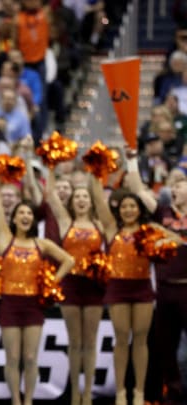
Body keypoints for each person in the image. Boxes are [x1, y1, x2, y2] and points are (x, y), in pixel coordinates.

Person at [90, 173, 182, 405]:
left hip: (142, 288)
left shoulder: (148, 230)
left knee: (141, 341)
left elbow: (178, 240)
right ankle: (121, 392)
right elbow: (99, 200)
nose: (128, 210)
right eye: (124, 206)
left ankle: (139, 392)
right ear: (118, 210)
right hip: (118, 289)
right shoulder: (111, 229)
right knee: (121, 340)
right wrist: (95, 174)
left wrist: (164, 239)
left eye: (132, 206)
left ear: (139, 209)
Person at [0, 180, 74, 405]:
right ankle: (16, 400)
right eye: (21, 213)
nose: (26, 216)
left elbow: (69, 260)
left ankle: (28, 401)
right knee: (13, 357)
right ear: (14, 218)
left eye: (29, 213)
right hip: (9, 304)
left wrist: (51, 283)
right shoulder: (5, 239)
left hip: (33, 305)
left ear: (33, 219)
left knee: (30, 358)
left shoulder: (42, 243)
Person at [123, 150, 187, 405]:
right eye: (173, 187)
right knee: (164, 345)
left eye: (181, 186)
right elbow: (139, 191)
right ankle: (171, 391)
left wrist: (172, 237)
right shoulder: (162, 213)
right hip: (163, 289)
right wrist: (131, 161)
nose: (175, 190)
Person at [45, 167, 104, 405]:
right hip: (70, 284)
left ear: (91, 202)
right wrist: (50, 165)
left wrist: (95, 170)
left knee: (90, 342)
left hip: (93, 286)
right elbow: (50, 194)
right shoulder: (65, 221)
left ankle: (87, 394)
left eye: (85, 196)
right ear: (72, 201)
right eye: (77, 196)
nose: (81, 200)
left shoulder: (101, 224)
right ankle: (74, 394)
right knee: (75, 342)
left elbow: (100, 193)